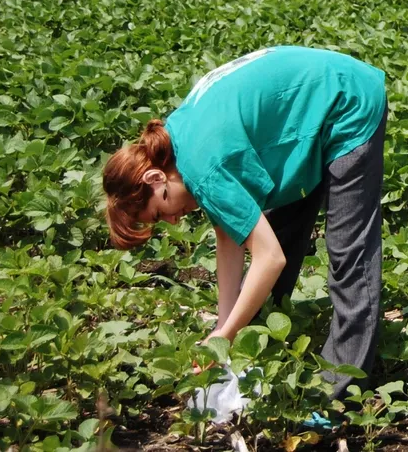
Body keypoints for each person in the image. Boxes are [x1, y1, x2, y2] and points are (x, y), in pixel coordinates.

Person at [101, 46, 388, 407]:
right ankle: (265, 343)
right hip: (302, 116)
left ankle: (335, 395)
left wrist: (228, 333)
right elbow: (228, 235)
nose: (173, 221)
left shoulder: (202, 168)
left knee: (349, 256)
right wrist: (223, 333)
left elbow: (270, 259)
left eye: (160, 213)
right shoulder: (179, 144)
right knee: (277, 229)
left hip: (346, 101)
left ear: (156, 177)